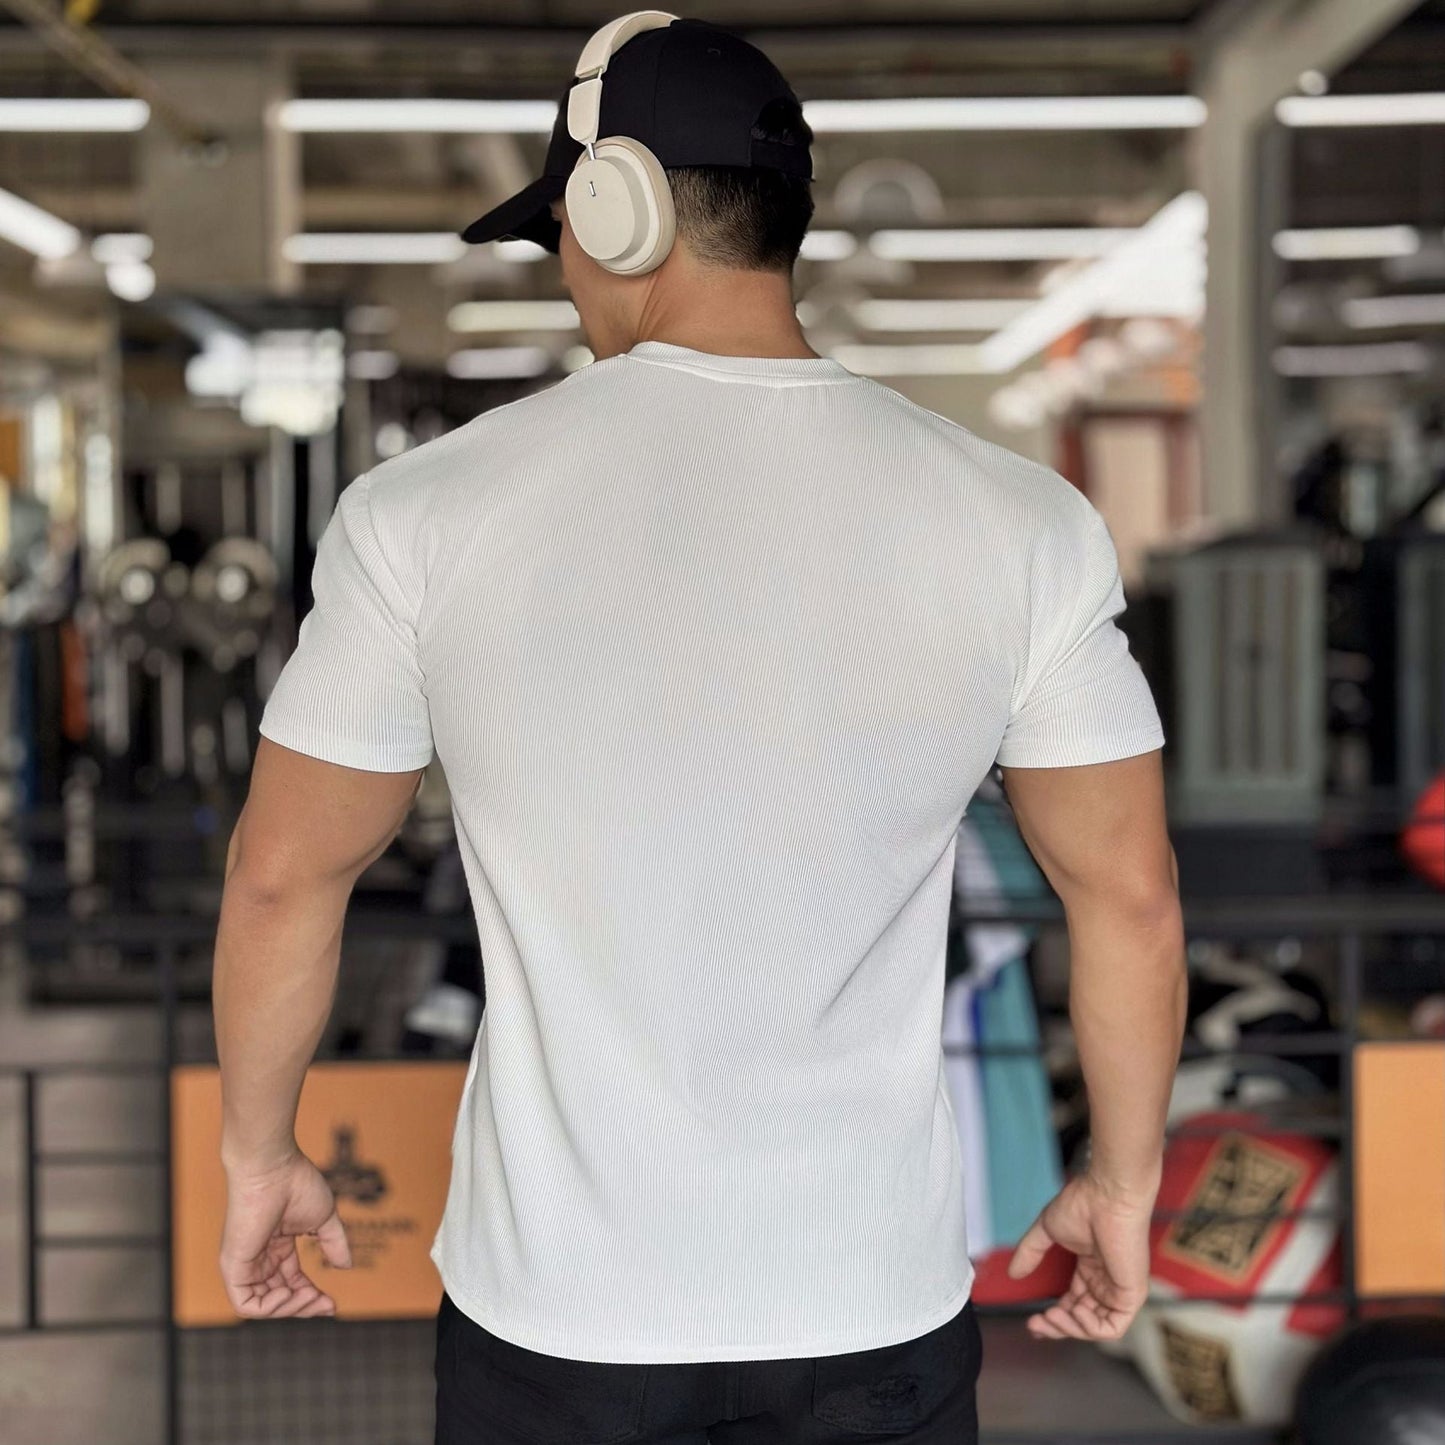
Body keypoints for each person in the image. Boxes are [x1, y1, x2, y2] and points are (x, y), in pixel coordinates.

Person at [211, 13, 1187, 1444]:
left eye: (556, 225)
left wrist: (258, 1154)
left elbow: (285, 874)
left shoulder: (422, 514)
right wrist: (1124, 1175)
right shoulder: (1021, 522)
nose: (560, 271)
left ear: (615, 208)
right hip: (872, 1306)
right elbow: (1129, 892)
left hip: (557, 1313)